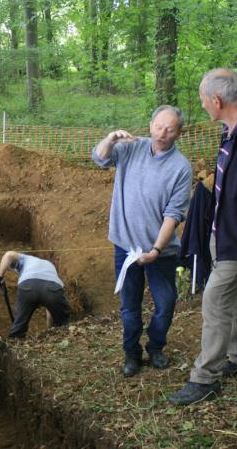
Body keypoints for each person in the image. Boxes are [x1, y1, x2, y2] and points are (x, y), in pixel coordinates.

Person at [168, 69, 237, 405]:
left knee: (214, 298)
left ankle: (205, 378)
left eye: (202, 100)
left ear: (217, 100)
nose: (202, 106)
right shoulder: (233, 129)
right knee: (233, 295)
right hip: (222, 231)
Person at [92, 106, 192, 376]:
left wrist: (156, 249)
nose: (163, 133)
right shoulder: (130, 148)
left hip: (161, 251)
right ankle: (131, 353)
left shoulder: (181, 168)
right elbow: (99, 159)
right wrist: (111, 138)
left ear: (178, 133)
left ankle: (156, 346)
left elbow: (174, 214)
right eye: (159, 126)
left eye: (170, 129)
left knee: (166, 301)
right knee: (129, 305)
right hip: (125, 245)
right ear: (150, 126)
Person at [0, 251, 70, 339]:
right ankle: (65, 341)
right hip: (52, 288)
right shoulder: (49, 266)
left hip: (28, 285)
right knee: (63, 325)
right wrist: (49, 331)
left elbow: (9, 255)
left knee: (19, 326)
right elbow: (50, 311)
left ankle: (15, 342)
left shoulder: (25, 258)